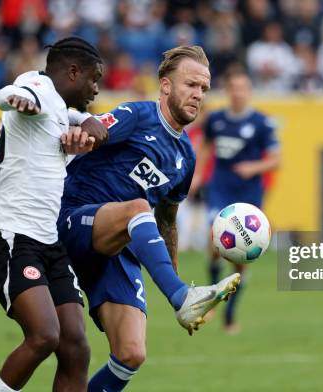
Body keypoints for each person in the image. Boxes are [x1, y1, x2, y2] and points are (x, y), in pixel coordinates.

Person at [57, 45, 241, 392]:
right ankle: (181, 296)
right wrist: (82, 135)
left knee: (131, 354)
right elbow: (100, 130)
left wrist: (172, 276)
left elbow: (168, 220)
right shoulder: (138, 115)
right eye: (191, 85)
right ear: (166, 86)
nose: (198, 94)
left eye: (204, 88)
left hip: (119, 245)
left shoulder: (185, 157)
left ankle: (180, 298)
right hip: (74, 219)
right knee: (138, 207)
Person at [0, 36, 108, 392]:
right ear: (73, 71)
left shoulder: (62, 108)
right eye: (94, 79)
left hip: (47, 241)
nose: (96, 88)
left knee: (75, 346)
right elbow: (9, 94)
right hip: (9, 235)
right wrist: (18, 100)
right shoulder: (38, 86)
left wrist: (87, 119)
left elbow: (70, 116)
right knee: (44, 336)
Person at [192, 68, 280, 334]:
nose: (239, 93)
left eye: (243, 88)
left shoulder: (262, 123)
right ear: (228, 90)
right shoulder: (216, 119)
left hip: (249, 197)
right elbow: (206, 147)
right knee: (214, 242)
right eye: (234, 88)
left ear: (249, 91)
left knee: (240, 261)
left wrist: (253, 168)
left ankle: (230, 314)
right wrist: (197, 176)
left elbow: (276, 160)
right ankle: (213, 299)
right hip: (220, 190)